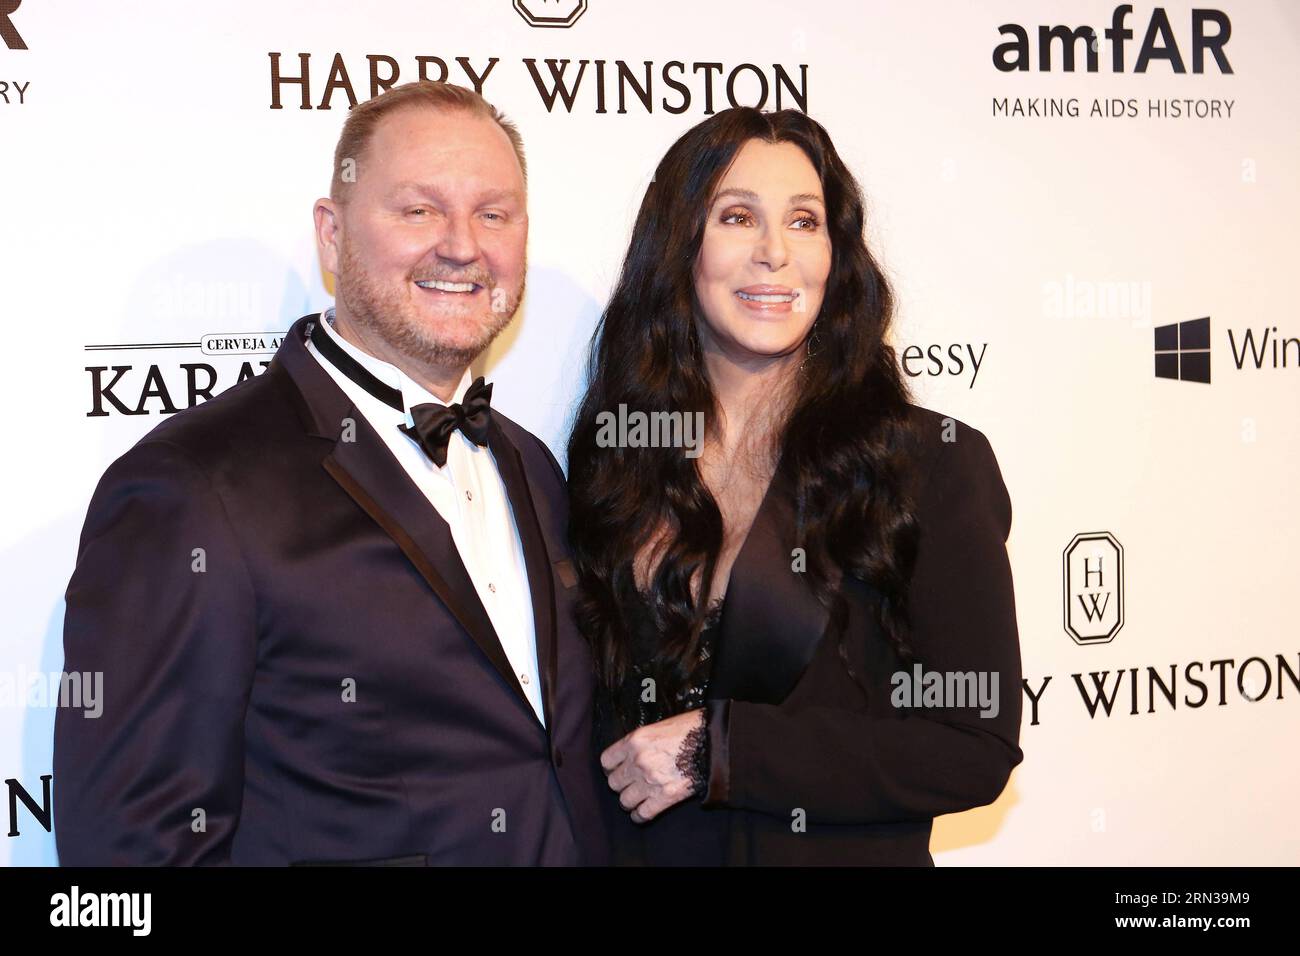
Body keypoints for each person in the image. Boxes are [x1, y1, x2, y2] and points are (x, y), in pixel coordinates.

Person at [54, 81, 609, 866]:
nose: (461, 245)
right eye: (418, 210)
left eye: (494, 213)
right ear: (331, 234)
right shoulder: (195, 486)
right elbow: (132, 851)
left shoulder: (532, 465)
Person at [566, 107, 1023, 866]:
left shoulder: (928, 464)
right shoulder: (619, 457)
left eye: (805, 221)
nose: (774, 253)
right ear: (680, 245)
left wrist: (724, 750)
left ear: (836, 255)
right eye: (738, 217)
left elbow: (973, 745)